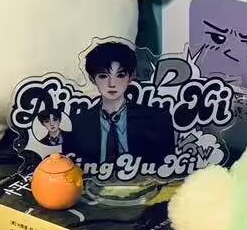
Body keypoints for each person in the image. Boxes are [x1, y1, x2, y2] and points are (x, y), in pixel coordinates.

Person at [65, 41, 176, 169]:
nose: (112, 84)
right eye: (103, 76)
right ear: (92, 79)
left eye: (120, 75)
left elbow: (167, 168)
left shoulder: (157, 119)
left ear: (131, 77)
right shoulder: (77, 123)